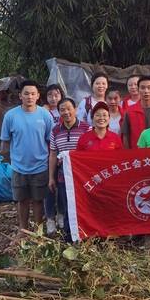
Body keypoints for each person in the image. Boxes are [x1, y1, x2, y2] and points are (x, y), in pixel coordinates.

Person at [0, 80, 54, 233]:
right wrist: (11, 162)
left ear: (38, 96)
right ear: (20, 96)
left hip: (40, 166)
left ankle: (38, 231)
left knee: (38, 200)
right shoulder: (11, 116)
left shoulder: (45, 115)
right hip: (18, 167)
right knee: (21, 200)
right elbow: (5, 143)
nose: (29, 96)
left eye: (32, 93)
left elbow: (51, 142)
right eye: (26, 93)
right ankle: (23, 230)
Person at [47, 97, 90, 238]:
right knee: (67, 206)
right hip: (63, 176)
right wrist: (51, 178)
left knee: (83, 205)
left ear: (75, 110)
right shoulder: (55, 131)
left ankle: (85, 233)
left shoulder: (86, 128)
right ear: (58, 112)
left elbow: (90, 153)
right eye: (62, 110)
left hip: (83, 176)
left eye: (69, 108)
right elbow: (53, 154)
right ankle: (69, 236)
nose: (66, 112)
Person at [121, 75, 150, 148]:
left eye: (149, 87)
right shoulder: (129, 111)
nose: (146, 91)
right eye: (142, 88)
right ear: (138, 89)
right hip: (137, 154)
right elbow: (125, 135)